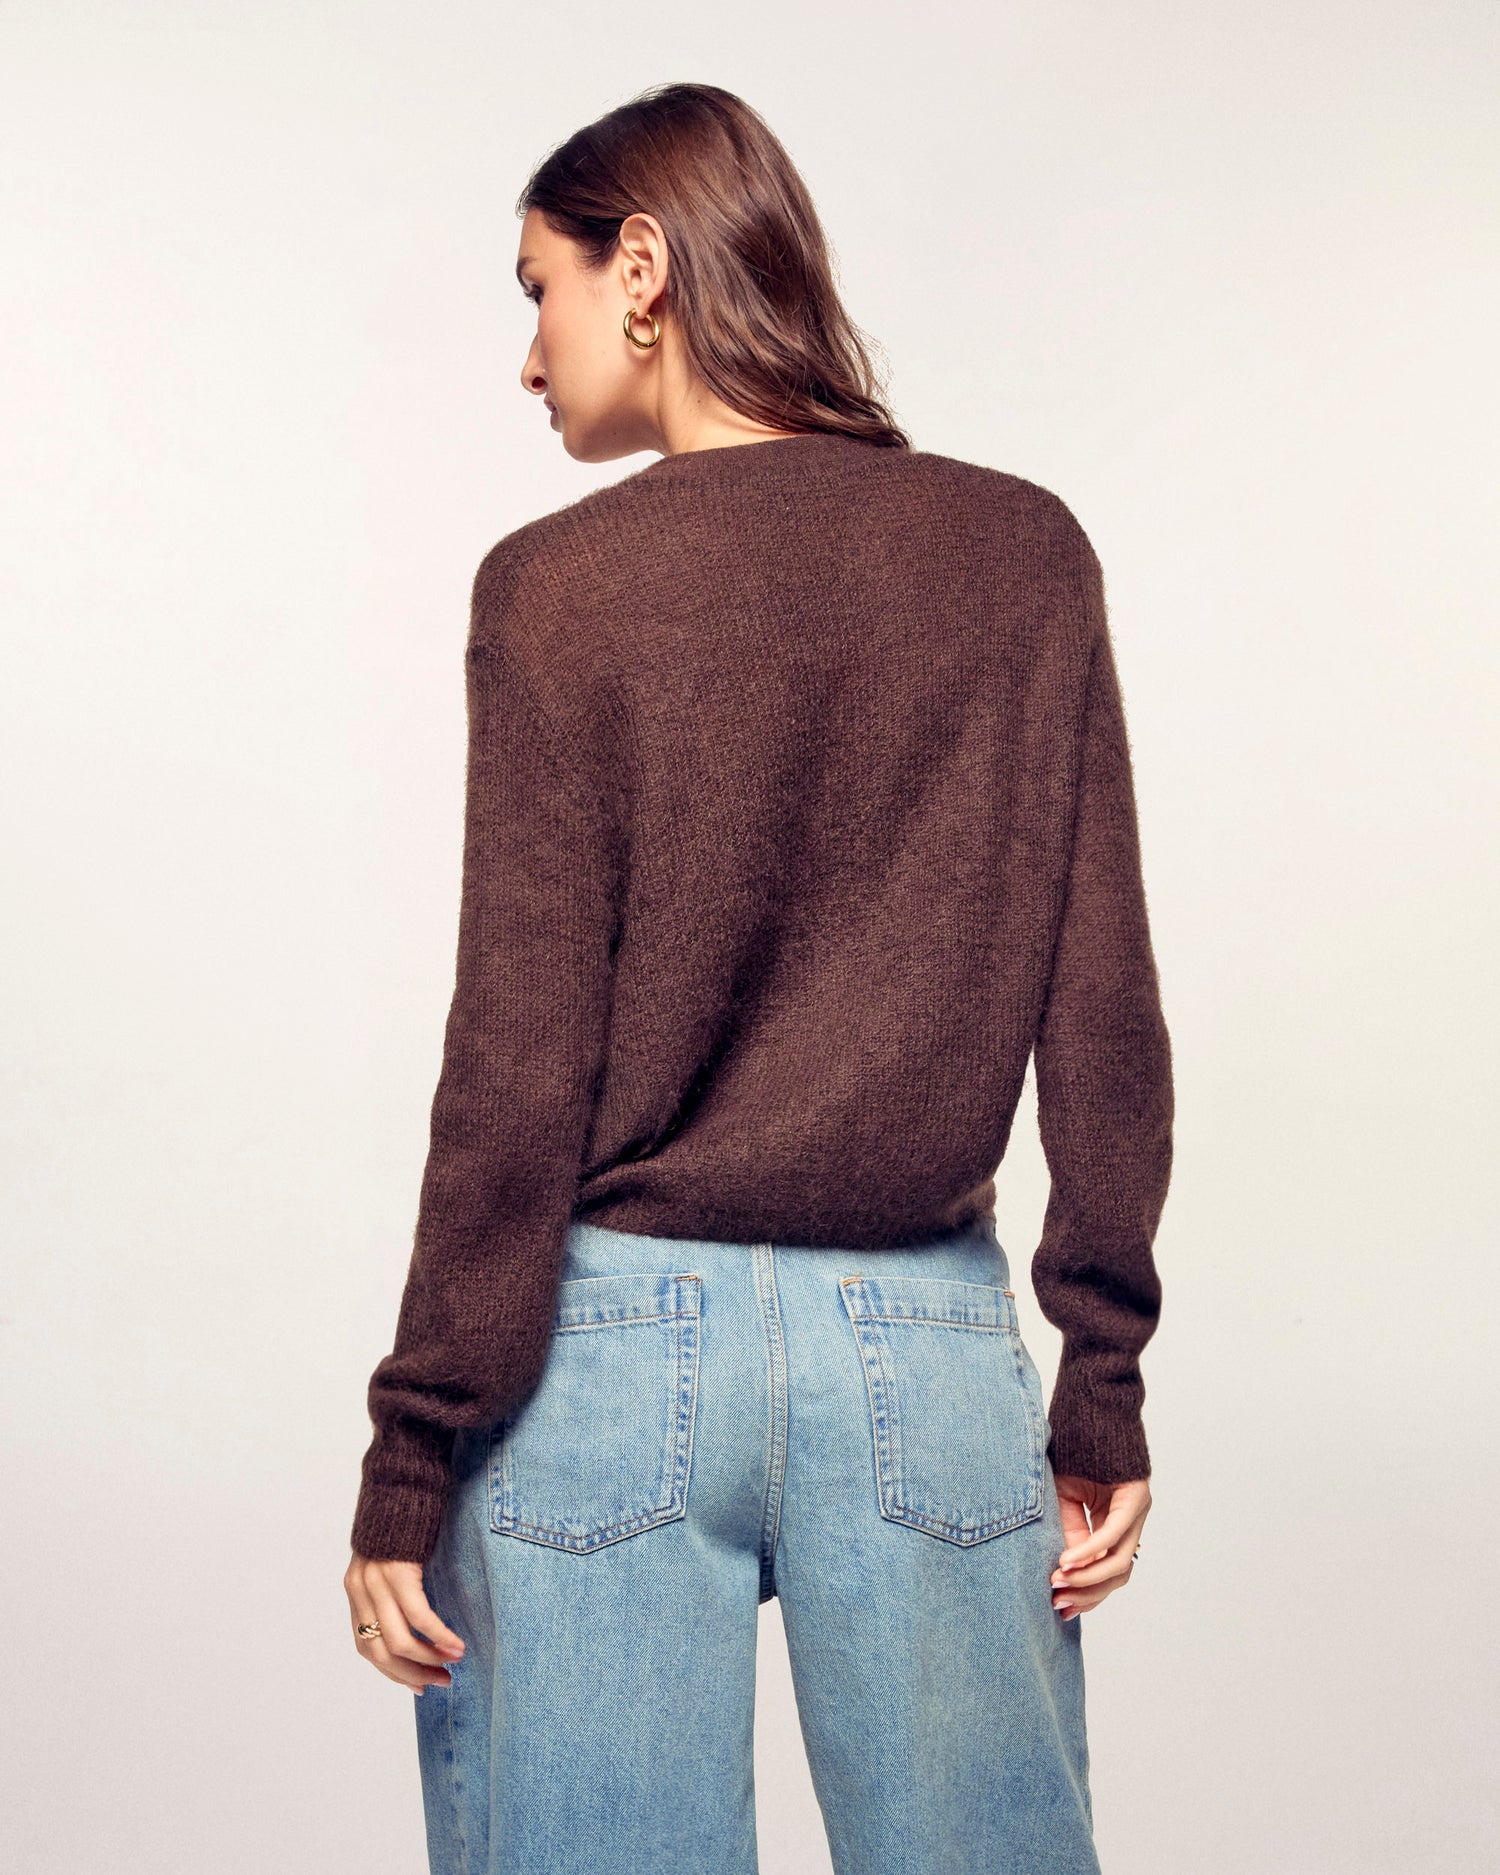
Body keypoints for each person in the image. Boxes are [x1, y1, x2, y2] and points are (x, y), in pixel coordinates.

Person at [343, 80, 1173, 1875]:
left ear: (640, 268)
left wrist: (416, 1444)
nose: (528, 355)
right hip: (923, 1346)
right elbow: (1102, 999)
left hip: (602, 1355)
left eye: (539, 289)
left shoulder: (557, 589)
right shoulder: (1022, 553)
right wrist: (1099, 1375)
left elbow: (517, 1059)